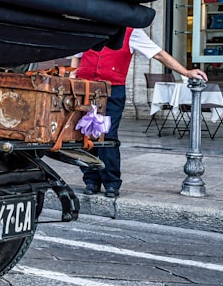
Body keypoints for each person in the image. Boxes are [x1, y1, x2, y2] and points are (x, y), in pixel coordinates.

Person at [71, 27, 207, 198]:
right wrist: (72, 79)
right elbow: (77, 57)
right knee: (85, 134)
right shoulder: (90, 28)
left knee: (107, 135)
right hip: (84, 88)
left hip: (112, 90)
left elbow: (158, 54)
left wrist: (186, 72)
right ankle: (91, 180)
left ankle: (111, 183)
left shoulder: (132, 32)